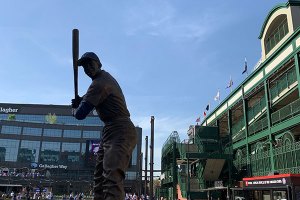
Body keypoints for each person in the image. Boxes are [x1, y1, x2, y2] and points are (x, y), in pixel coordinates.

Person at [71, 52, 137, 200]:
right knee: (100, 179)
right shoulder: (102, 80)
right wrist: (81, 100)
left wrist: (77, 106)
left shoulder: (99, 83)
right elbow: (91, 98)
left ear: (99, 64)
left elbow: (80, 114)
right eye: (84, 66)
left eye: (90, 64)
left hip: (121, 130)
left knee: (111, 178)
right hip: (110, 131)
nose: (88, 68)